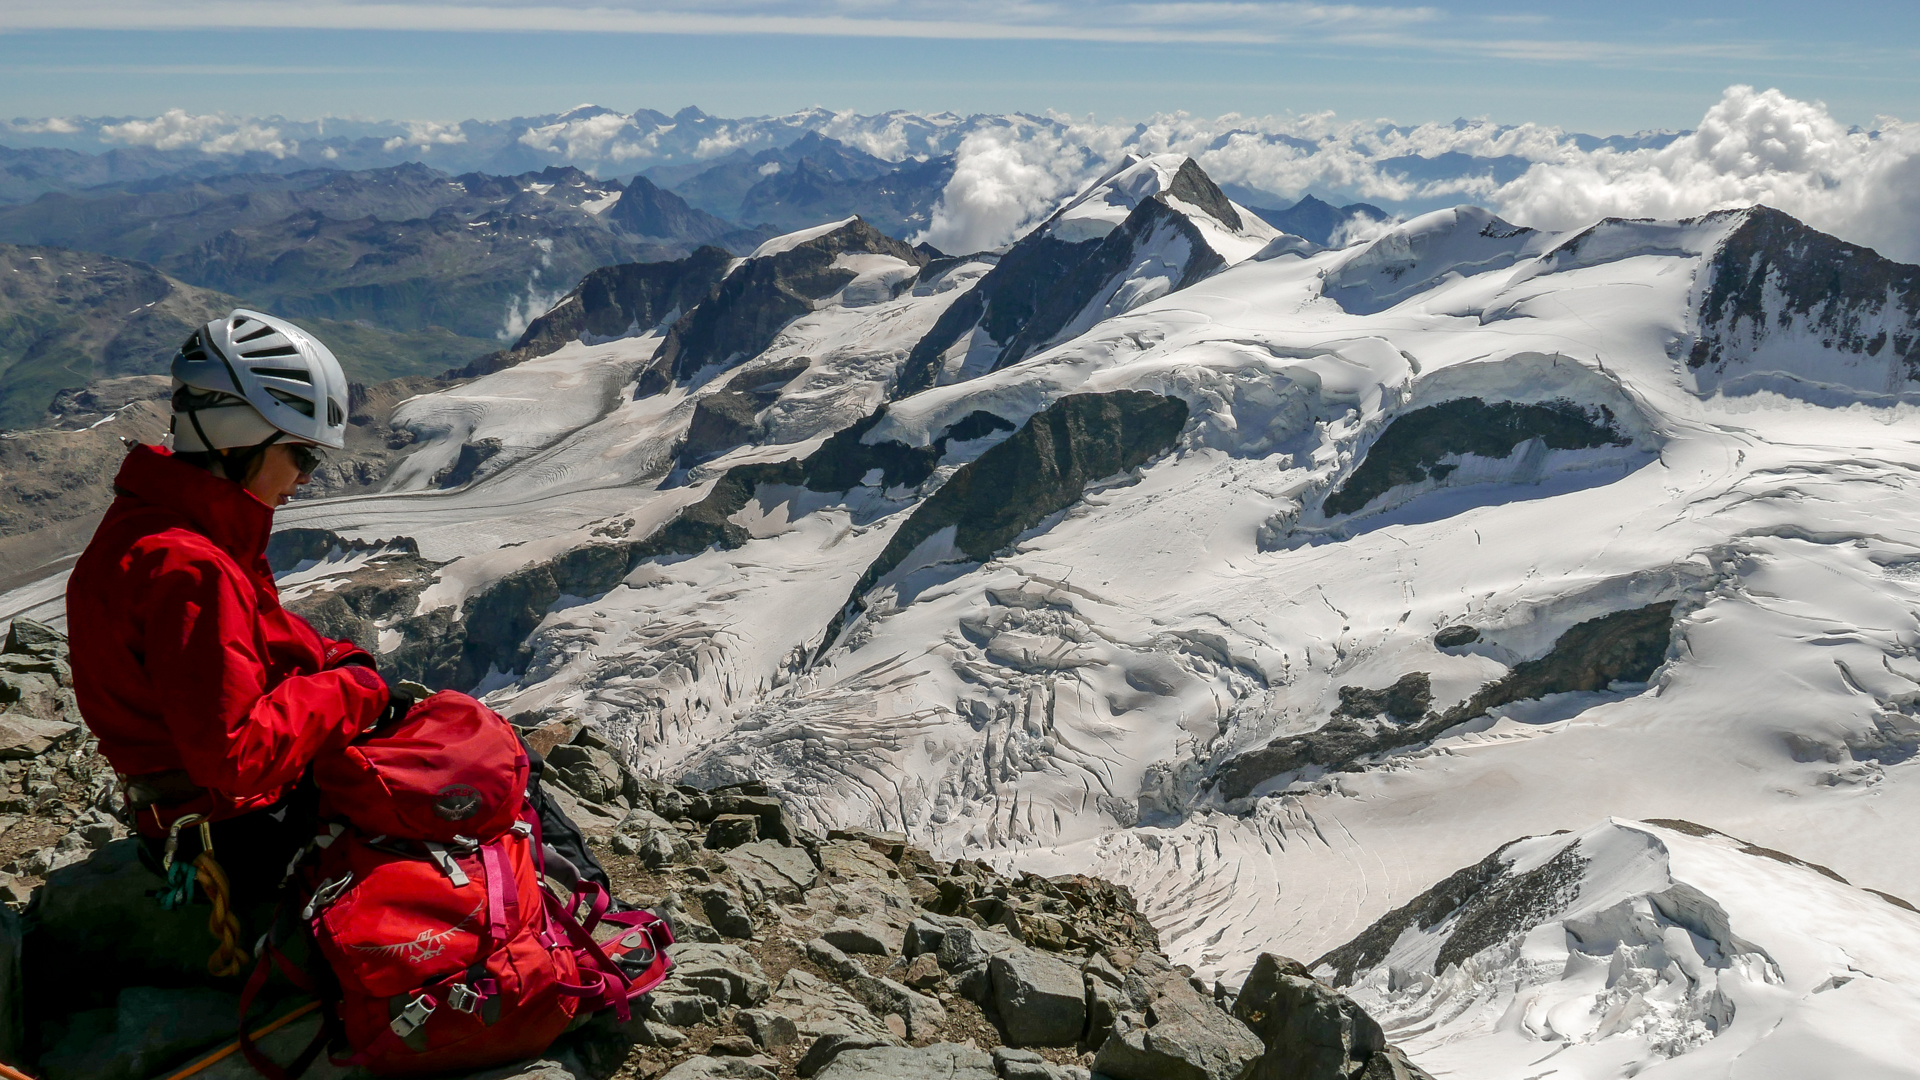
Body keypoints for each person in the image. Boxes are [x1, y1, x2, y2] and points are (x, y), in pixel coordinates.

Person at [65, 309, 611, 911]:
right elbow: (236, 754)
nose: (307, 477)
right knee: (482, 754)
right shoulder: (191, 567)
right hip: (236, 835)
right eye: (302, 455)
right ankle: (591, 915)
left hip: (195, 818)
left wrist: (339, 666)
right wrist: (356, 692)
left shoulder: (161, 528)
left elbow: (250, 644)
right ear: (235, 436)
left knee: (458, 741)